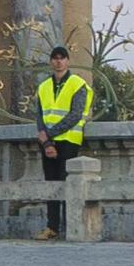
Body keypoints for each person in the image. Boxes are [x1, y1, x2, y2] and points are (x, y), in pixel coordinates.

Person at [34, 45, 93, 241]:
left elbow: (75, 115)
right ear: (51, 62)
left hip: (69, 140)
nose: (58, 61)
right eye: (55, 58)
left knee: (68, 184)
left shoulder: (78, 84)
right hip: (49, 144)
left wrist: (48, 135)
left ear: (68, 61)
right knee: (51, 185)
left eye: (62, 58)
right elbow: (40, 116)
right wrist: (47, 143)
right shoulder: (43, 87)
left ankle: (71, 226)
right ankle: (51, 227)